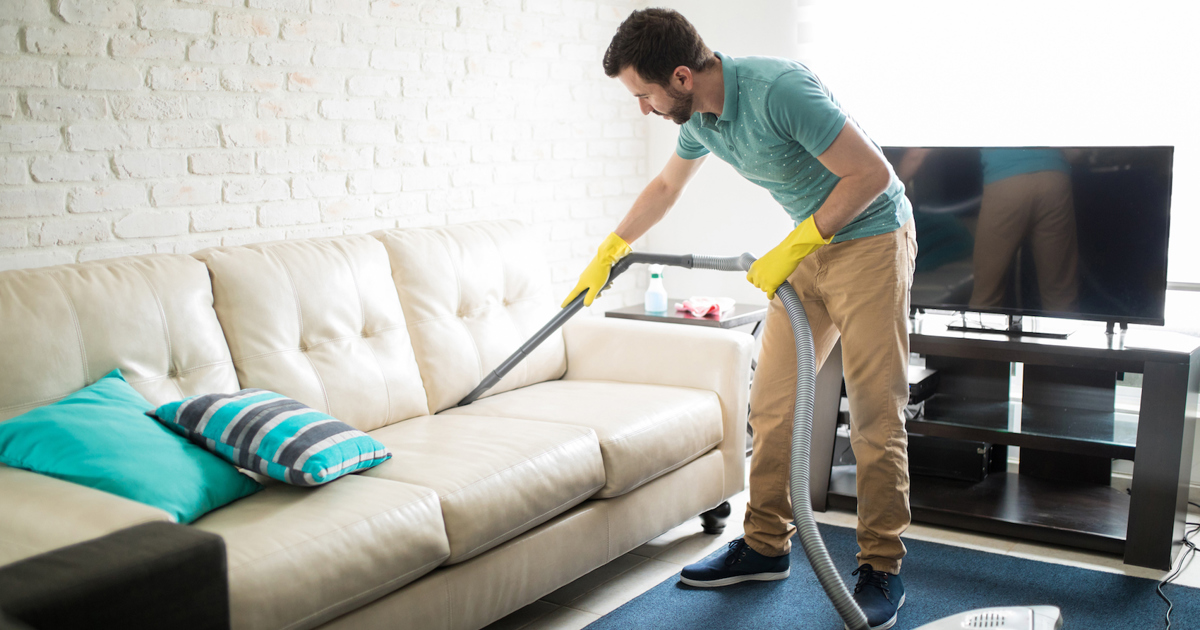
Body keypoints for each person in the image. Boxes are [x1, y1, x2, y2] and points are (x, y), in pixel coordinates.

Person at [562, 9, 916, 630]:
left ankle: (881, 567)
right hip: (809, 246)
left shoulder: (778, 90)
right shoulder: (698, 117)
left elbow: (871, 174)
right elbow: (667, 188)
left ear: (679, 76)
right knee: (772, 404)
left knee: (872, 415)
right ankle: (764, 545)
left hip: (872, 240)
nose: (643, 109)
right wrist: (610, 249)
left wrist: (794, 246)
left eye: (643, 95)